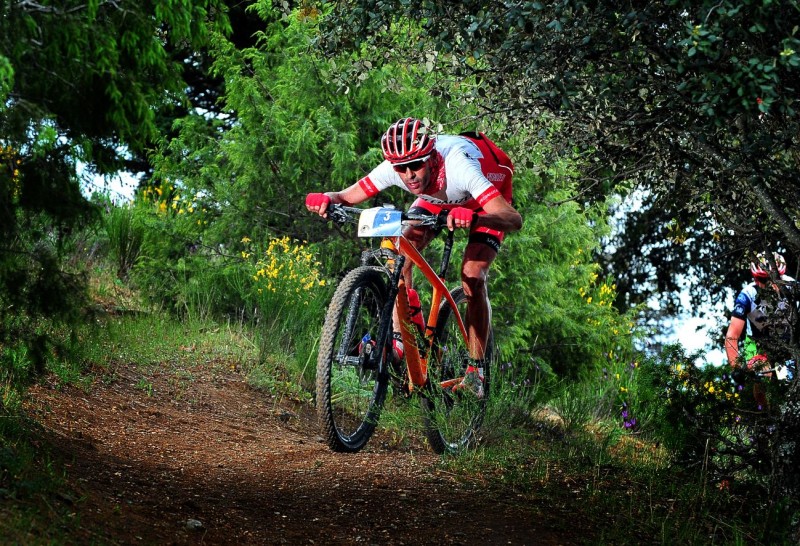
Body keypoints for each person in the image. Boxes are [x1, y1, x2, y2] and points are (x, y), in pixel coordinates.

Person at [306, 117, 523, 398]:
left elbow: (512, 218)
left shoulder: (459, 165)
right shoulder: (397, 167)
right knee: (399, 251)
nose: (409, 175)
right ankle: (405, 337)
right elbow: (346, 196)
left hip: (483, 200)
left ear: (432, 157)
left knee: (472, 275)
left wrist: (476, 216)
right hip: (439, 198)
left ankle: (476, 372)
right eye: (401, 169)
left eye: (416, 165)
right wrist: (326, 198)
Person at [724, 252, 795, 407]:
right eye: (762, 279)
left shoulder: (792, 287)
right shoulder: (747, 295)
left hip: (786, 340)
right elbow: (732, 336)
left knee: (788, 379)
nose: (768, 283)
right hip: (758, 342)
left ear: (781, 275)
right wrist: (736, 367)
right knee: (762, 374)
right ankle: (766, 417)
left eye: (772, 278)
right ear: (755, 278)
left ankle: (788, 414)